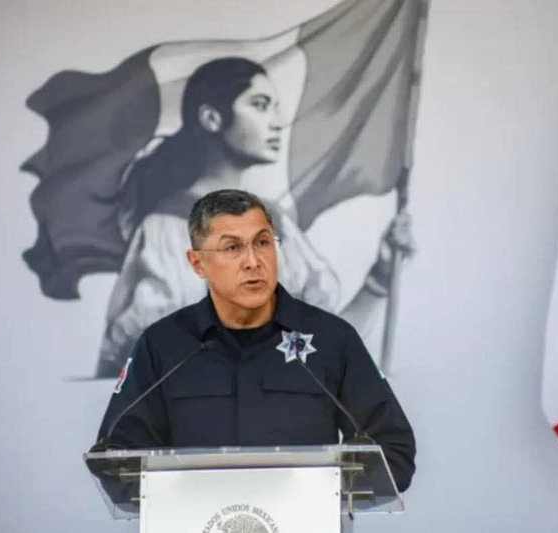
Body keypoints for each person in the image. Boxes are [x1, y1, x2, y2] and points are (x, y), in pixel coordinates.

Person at [97, 57, 414, 378]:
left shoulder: (278, 225)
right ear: (212, 118)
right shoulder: (170, 227)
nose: (277, 122)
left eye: (275, 108)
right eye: (260, 105)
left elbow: (324, 354)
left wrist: (380, 277)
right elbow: (149, 363)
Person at [94, 189, 416, 493]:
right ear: (198, 263)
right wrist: (189, 493)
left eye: (262, 243)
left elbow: (394, 454)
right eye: (232, 248)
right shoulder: (163, 345)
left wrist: (320, 489)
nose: (252, 261)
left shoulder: (333, 340)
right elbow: (116, 459)